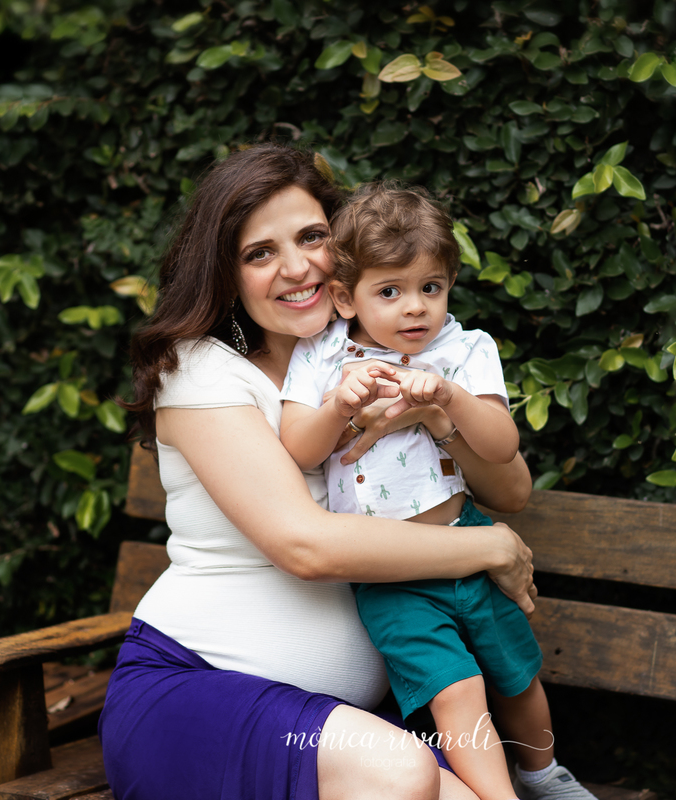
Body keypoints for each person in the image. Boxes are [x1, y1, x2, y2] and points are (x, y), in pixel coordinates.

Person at [99, 143, 536, 800]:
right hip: (196, 692)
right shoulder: (203, 372)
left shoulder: (392, 350)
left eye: (311, 237)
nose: (296, 267)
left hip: (347, 730)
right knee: (405, 774)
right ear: (227, 274)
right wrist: (488, 546)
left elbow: (512, 488)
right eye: (260, 253)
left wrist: (436, 416)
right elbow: (304, 546)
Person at [279, 183, 597, 800]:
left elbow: (501, 445)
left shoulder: (465, 349)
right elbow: (298, 447)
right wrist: (338, 406)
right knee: (456, 689)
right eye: (389, 291)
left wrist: (449, 398)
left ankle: (544, 774)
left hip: (464, 542)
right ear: (344, 297)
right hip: (388, 573)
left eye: (431, 287)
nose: (415, 308)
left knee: (516, 675)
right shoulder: (323, 355)